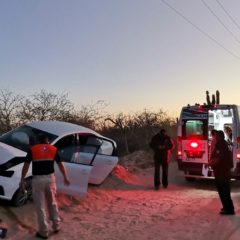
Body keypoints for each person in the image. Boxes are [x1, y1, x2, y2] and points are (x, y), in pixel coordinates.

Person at [19, 135, 70, 239]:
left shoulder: (32, 150)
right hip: (50, 179)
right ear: (48, 140)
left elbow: (26, 165)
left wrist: (22, 179)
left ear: (39, 140)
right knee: (53, 203)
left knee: (40, 206)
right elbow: (60, 164)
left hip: (38, 180)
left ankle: (44, 232)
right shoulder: (53, 149)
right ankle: (56, 226)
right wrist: (65, 177)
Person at [208, 130, 235, 215]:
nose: (214, 137)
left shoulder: (222, 145)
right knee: (222, 191)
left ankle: (229, 210)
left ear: (219, 136)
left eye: (216, 136)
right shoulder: (220, 144)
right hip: (220, 172)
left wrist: (209, 163)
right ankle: (226, 207)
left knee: (225, 191)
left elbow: (219, 158)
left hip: (222, 172)